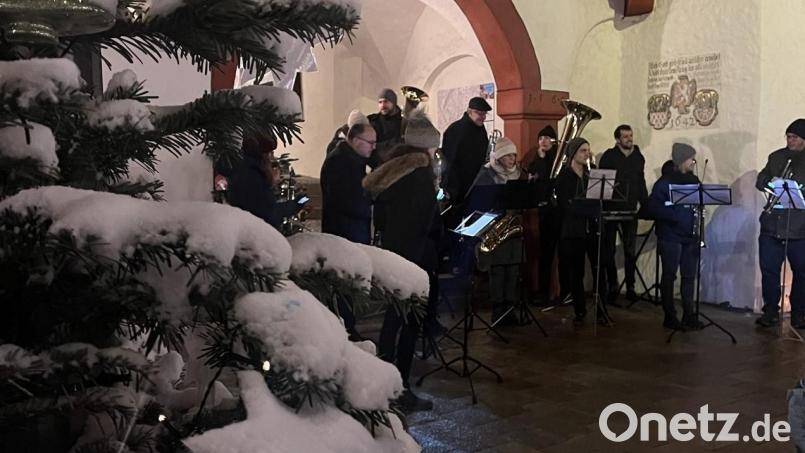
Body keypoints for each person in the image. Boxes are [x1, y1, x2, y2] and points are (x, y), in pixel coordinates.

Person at [362, 111, 440, 413]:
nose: (434, 153)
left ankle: (383, 381)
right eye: (433, 148)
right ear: (424, 147)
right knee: (409, 324)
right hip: (414, 260)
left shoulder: (392, 170)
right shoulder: (420, 174)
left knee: (391, 322)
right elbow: (427, 221)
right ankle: (402, 389)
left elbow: (381, 217)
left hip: (393, 255)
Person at [645, 143, 704, 331]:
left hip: (690, 236)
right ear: (681, 160)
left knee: (688, 276)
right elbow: (653, 208)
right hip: (670, 235)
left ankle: (689, 314)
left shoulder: (694, 180)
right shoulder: (664, 182)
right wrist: (676, 215)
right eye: (690, 159)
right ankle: (669, 316)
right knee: (669, 275)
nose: (693, 162)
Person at [470, 137, 527, 324]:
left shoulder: (519, 174)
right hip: (494, 228)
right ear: (500, 156)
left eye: (514, 155)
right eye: (508, 155)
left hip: (513, 229)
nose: (512, 159)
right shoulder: (486, 174)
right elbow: (479, 199)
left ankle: (510, 309)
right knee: (498, 271)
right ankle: (498, 310)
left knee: (513, 270)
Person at [755, 119, 805, 328]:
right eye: (788, 136)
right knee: (769, 270)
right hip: (772, 225)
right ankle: (770, 312)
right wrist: (770, 183)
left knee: (802, 273)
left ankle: (799, 313)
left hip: (800, 228)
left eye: (794, 137)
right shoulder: (776, 157)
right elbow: (761, 178)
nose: (789, 140)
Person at [555, 137, 608, 325]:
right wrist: (585, 206)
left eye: (588, 150)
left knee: (599, 269)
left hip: (592, 229)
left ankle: (602, 309)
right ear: (573, 154)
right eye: (583, 151)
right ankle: (579, 309)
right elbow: (565, 205)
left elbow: (600, 198)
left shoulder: (591, 174)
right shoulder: (564, 177)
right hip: (573, 231)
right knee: (576, 273)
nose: (587, 154)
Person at [598, 124, 648, 303]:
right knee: (608, 250)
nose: (629, 139)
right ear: (617, 139)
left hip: (630, 209)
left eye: (630, 135)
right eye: (625, 136)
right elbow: (602, 182)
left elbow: (641, 182)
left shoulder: (638, 157)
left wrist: (645, 204)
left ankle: (631, 287)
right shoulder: (609, 156)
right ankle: (612, 285)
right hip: (611, 208)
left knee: (630, 250)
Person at [227, 133, 301, 229]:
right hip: (256, 233)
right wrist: (296, 204)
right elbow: (269, 214)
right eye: (271, 153)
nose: (273, 159)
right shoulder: (254, 177)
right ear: (264, 155)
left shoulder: (244, 170)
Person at [440, 97, 492, 226]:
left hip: (475, 185)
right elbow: (450, 163)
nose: (483, 117)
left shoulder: (480, 129)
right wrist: (453, 191)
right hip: (458, 189)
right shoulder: (455, 130)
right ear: (470, 111)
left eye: (485, 114)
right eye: (480, 113)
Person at [526, 125, 564, 303]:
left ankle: (561, 292)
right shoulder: (535, 161)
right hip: (544, 212)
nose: (544, 141)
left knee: (562, 254)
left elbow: (552, 180)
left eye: (547, 138)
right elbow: (539, 184)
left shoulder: (560, 160)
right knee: (545, 254)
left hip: (558, 211)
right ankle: (542, 292)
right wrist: (540, 160)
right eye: (541, 138)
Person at [320, 123, 375, 244]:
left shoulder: (353, 160)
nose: (373, 147)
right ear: (355, 140)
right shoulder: (340, 162)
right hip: (344, 234)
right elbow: (348, 202)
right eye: (370, 143)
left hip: (351, 232)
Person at [367, 88, 403, 167]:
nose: (383, 105)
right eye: (380, 102)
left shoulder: (404, 121)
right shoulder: (372, 121)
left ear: (393, 102)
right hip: (378, 166)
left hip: (399, 166)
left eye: (386, 101)